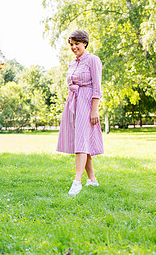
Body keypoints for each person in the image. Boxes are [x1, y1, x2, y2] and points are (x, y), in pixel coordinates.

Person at [56, 30, 104, 196]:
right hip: (73, 102)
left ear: (84, 43)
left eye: (77, 43)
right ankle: (92, 179)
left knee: (81, 143)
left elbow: (97, 87)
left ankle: (77, 181)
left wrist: (94, 109)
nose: (74, 47)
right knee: (81, 141)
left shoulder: (93, 60)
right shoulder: (72, 63)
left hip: (87, 101)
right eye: (71, 44)